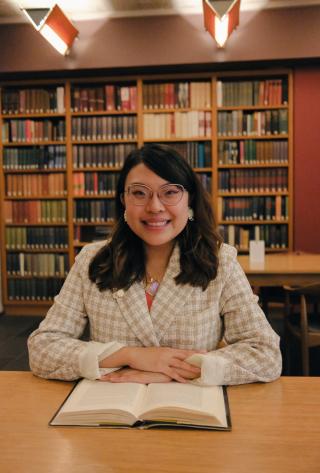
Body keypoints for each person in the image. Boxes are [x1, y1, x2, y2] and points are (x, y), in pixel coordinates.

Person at [28, 143, 282, 385]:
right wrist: (130, 356)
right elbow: (43, 348)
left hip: (190, 408)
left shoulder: (220, 262)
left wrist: (173, 371)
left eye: (170, 192)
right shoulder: (92, 260)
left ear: (189, 200)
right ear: (123, 201)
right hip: (111, 407)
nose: (155, 207)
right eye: (139, 193)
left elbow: (266, 354)